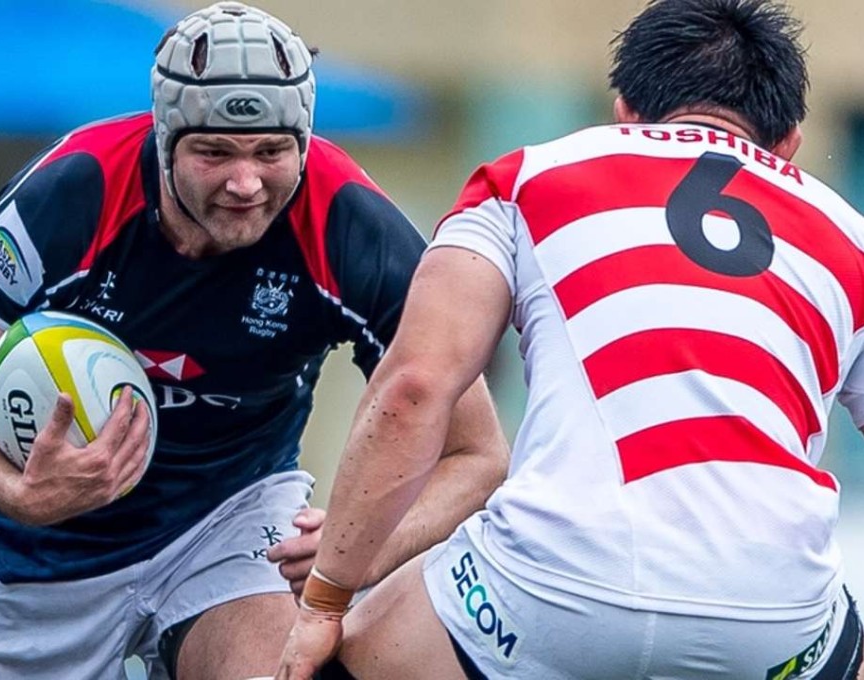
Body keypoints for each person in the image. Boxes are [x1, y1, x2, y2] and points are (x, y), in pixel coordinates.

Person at [0, 3, 508, 678]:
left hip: (229, 523)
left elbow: (477, 455)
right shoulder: (75, 193)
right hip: (36, 548)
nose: (246, 182)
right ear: (164, 139)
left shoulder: (349, 225)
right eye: (215, 152)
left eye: (272, 152)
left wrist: (359, 549)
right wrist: (20, 494)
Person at [275, 0, 864, 678]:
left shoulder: (524, 178)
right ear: (789, 141)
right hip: (772, 619)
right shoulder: (848, 235)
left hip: (547, 593)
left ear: (623, 110)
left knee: (350, 652)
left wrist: (325, 603)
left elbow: (414, 388)